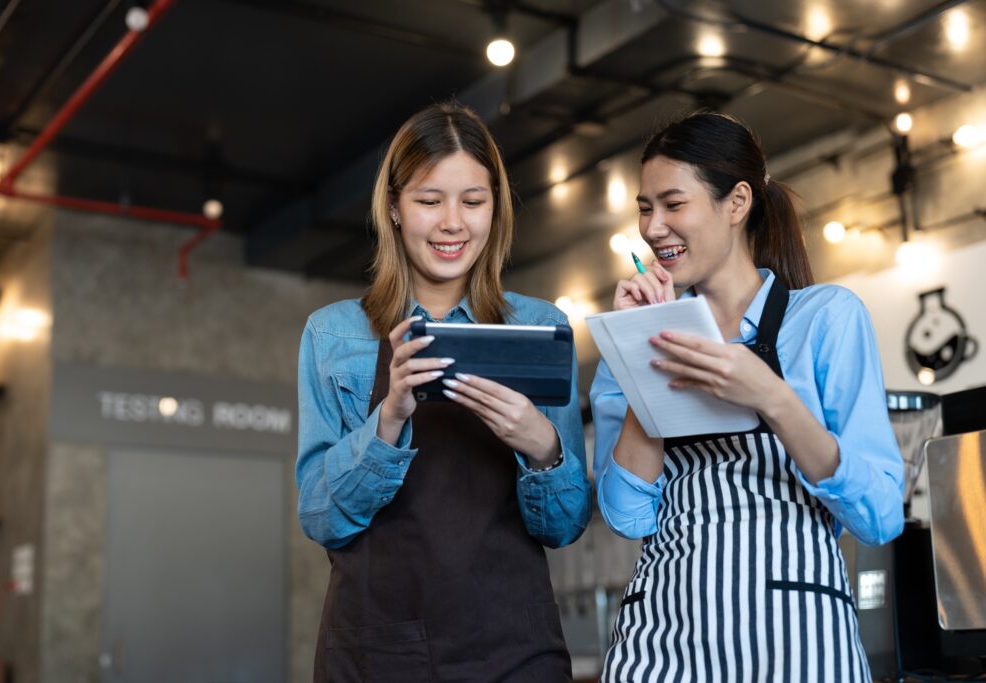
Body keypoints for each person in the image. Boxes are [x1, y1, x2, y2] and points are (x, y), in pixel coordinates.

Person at [590, 111, 904, 682]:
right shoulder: (631, 333)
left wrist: (772, 396)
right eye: (644, 207)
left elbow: (880, 515)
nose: (653, 226)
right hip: (663, 639)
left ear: (737, 203)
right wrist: (645, 356)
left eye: (672, 203)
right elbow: (626, 515)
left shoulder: (825, 319)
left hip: (797, 639)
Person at [296, 102, 592, 682]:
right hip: (374, 652)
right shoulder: (334, 334)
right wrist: (388, 421)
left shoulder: (538, 327)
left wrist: (542, 446)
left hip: (515, 650)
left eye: (473, 202)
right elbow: (320, 517)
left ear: (496, 209)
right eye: (430, 201)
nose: (453, 223)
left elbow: (565, 525)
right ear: (394, 208)